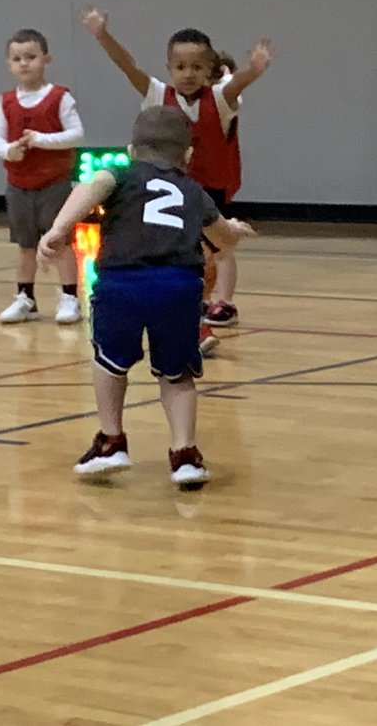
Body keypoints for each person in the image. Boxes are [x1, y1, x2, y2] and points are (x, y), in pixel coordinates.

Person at [37, 105, 255, 485]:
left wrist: (58, 229)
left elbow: (93, 187)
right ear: (187, 156)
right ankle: (185, 453)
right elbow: (221, 238)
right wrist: (235, 228)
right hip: (178, 285)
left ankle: (111, 441)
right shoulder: (192, 190)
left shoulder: (120, 172)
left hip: (123, 281)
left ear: (131, 149)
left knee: (110, 362)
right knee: (178, 374)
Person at [80, 7, 271, 333]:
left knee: (220, 247)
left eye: (197, 67)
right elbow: (128, 66)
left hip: (211, 186)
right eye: (180, 67)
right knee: (188, 251)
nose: (187, 73)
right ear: (169, 67)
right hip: (172, 185)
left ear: (211, 69)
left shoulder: (220, 98)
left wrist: (254, 70)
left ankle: (224, 302)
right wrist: (102, 36)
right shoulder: (158, 94)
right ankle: (195, 305)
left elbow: (238, 84)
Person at [0, 28, 84, 325]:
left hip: (53, 183)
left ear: (46, 59)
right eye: (17, 58)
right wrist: (9, 151)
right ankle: (25, 298)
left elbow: (77, 135)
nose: (24, 64)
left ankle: (70, 298)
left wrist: (42, 140)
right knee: (25, 245)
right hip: (18, 185)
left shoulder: (59, 97)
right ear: (9, 64)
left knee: (61, 242)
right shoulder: (6, 101)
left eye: (31, 57)